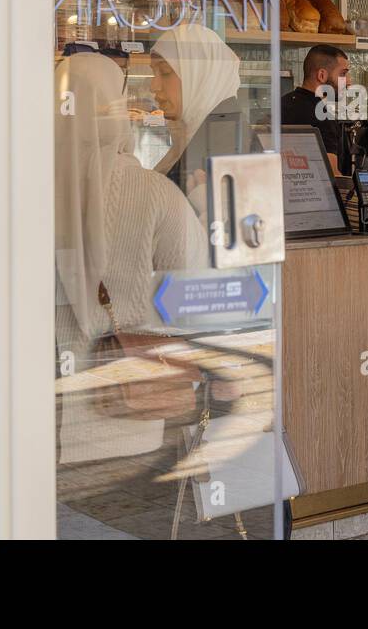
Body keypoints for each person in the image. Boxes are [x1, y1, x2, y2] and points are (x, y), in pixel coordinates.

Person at [53, 52, 207, 462]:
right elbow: (192, 296)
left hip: (40, 425)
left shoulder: (23, 193)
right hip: (135, 416)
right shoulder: (156, 193)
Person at [148, 23, 244, 217]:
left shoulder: (222, 146)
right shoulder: (197, 136)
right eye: (154, 73)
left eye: (165, 72)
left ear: (200, 75)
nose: (154, 85)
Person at [279, 44, 349, 174]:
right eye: (343, 74)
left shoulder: (281, 104)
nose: (348, 82)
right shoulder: (322, 116)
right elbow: (331, 176)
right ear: (322, 75)